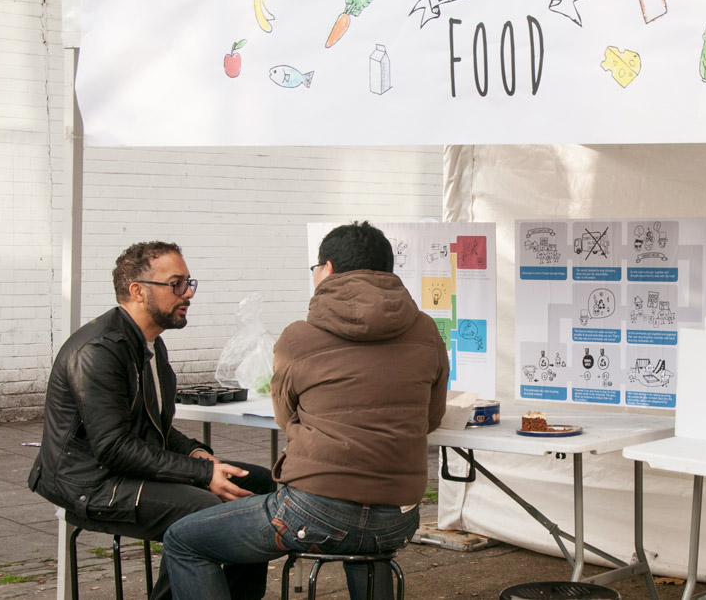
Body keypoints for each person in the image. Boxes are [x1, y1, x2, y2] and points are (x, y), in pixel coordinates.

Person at [163, 221, 449, 600]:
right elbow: (431, 418)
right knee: (367, 543)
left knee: (183, 541)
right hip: (397, 519)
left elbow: (285, 417)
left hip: (315, 514)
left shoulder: (298, 337)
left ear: (327, 269)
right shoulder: (427, 331)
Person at [27, 241, 275, 600]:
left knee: (259, 486)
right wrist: (202, 476)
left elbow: (153, 427)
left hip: (126, 470)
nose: (188, 293)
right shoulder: (98, 351)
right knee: (206, 512)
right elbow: (114, 448)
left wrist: (195, 454)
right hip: (92, 482)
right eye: (176, 283)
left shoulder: (150, 343)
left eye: (190, 282)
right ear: (138, 291)